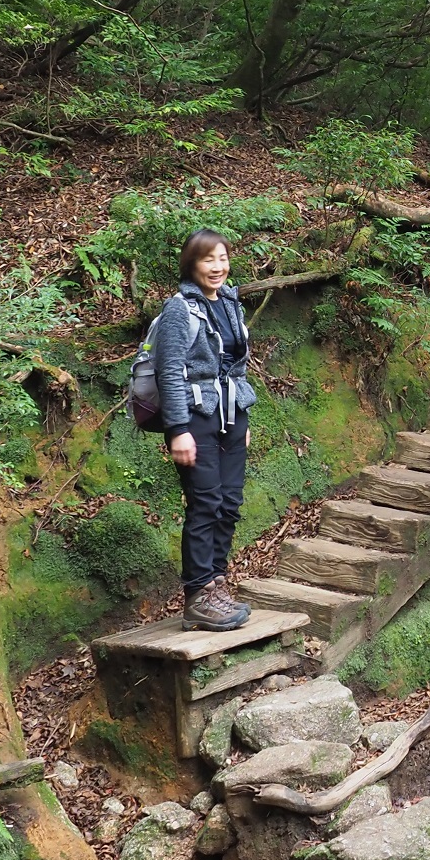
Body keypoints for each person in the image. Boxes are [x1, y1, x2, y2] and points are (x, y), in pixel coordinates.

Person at [152, 229, 257, 630]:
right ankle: (198, 594)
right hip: (195, 418)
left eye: (222, 258)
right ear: (192, 264)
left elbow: (238, 364)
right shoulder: (180, 308)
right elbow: (170, 372)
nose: (217, 267)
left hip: (232, 415)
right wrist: (178, 429)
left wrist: (242, 418)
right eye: (208, 259)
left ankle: (216, 584)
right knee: (206, 503)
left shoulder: (230, 301)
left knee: (229, 504)